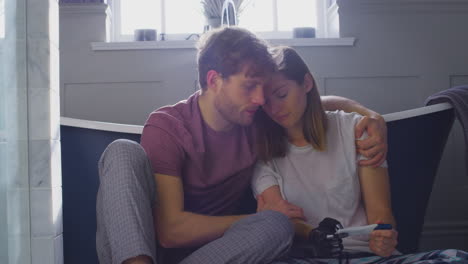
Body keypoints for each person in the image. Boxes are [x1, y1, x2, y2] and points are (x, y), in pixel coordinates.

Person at [96, 27, 388, 264]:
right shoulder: (169, 125)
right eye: (250, 86)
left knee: (277, 226)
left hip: (218, 255)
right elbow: (169, 232)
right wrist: (254, 217)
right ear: (214, 81)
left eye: (264, 88)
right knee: (123, 150)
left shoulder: (254, 119)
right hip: (146, 249)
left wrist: (372, 117)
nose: (261, 99)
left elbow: (307, 102)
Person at [252, 45, 468, 264]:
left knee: (455, 258)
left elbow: (380, 212)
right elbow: (281, 219)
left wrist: (384, 236)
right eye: (266, 102)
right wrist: (316, 236)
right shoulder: (264, 152)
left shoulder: (356, 130)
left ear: (306, 83)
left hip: (366, 256)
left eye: (281, 95)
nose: (274, 108)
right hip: (306, 258)